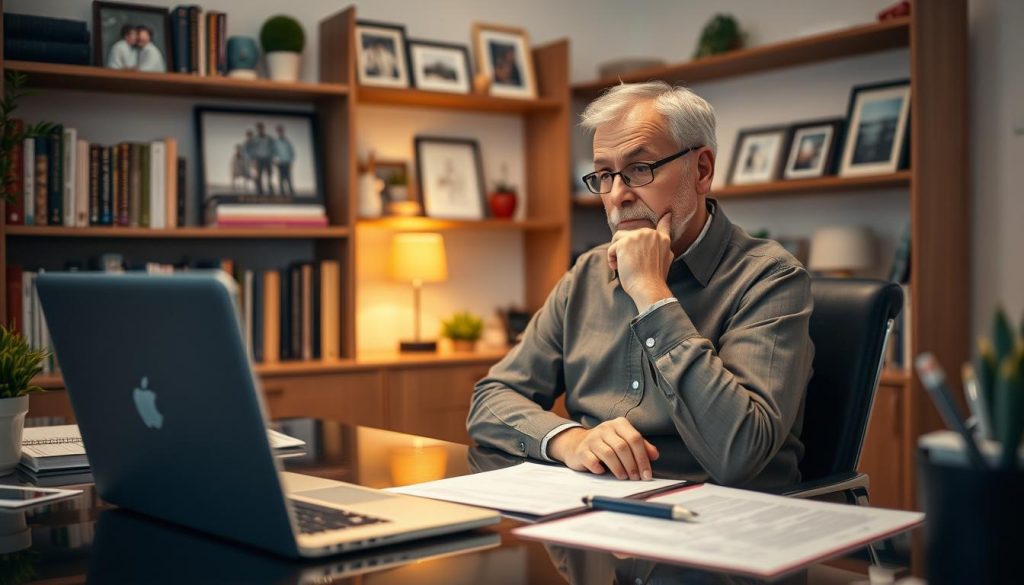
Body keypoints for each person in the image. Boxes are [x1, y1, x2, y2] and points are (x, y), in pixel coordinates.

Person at [467, 81, 814, 490]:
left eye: (638, 169)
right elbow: (490, 401)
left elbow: (738, 453)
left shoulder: (770, 277)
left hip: (721, 520)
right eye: (603, 174)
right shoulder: (587, 274)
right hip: (596, 511)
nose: (617, 195)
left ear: (701, 170)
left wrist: (652, 295)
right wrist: (570, 440)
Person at [251, 123, 275, 195]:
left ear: (263, 129)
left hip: (268, 159)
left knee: (269, 175)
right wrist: (254, 160)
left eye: (261, 128)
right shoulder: (255, 139)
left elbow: (273, 148)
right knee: (258, 176)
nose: (260, 130)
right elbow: (253, 150)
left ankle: (270, 190)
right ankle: (259, 191)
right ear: (257, 129)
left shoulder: (269, 138)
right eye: (258, 128)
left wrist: (272, 158)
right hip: (259, 159)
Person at [273, 125, 295, 196]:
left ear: (283, 131)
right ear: (277, 132)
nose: (280, 132)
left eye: (281, 131)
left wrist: (291, 161)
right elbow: (274, 152)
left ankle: (291, 193)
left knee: (288, 178)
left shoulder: (287, 142)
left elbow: (292, 152)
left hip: (287, 162)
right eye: (278, 131)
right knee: (281, 178)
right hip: (280, 163)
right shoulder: (276, 142)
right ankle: (282, 193)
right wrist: (275, 161)